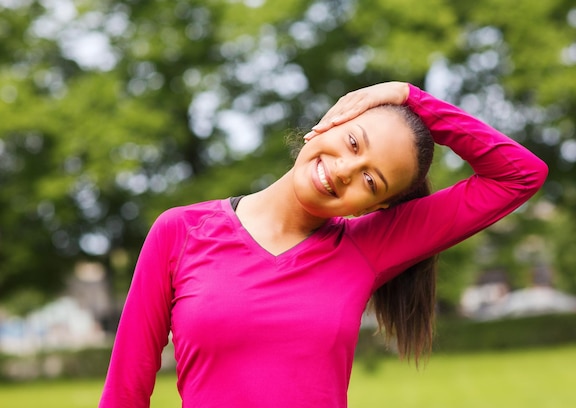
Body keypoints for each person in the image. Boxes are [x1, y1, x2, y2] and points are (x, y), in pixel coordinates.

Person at [99, 81, 548, 407]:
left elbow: (519, 175)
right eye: (353, 142)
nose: (344, 171)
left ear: (371, 206)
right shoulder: (181, 231)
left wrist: (412, 98)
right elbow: (125, 392)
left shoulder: (367, 248)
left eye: (371, 180)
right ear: (330, 123)